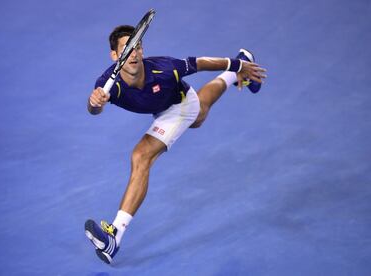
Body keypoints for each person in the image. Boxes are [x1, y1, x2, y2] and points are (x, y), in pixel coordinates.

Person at [85, 25, 267, 264]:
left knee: (142, 156)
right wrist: (95, 103)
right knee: (200, 115)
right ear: (114, 56)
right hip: (166, 109)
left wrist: (235, 64)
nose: (133, 54)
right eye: (126, 49)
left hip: (180, 105)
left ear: (142, 49)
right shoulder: (109, 82)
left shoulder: (164, 67)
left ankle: (115, 236)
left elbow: (200, 62)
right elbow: (95, 109)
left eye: (137, 47)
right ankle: (233, 77)